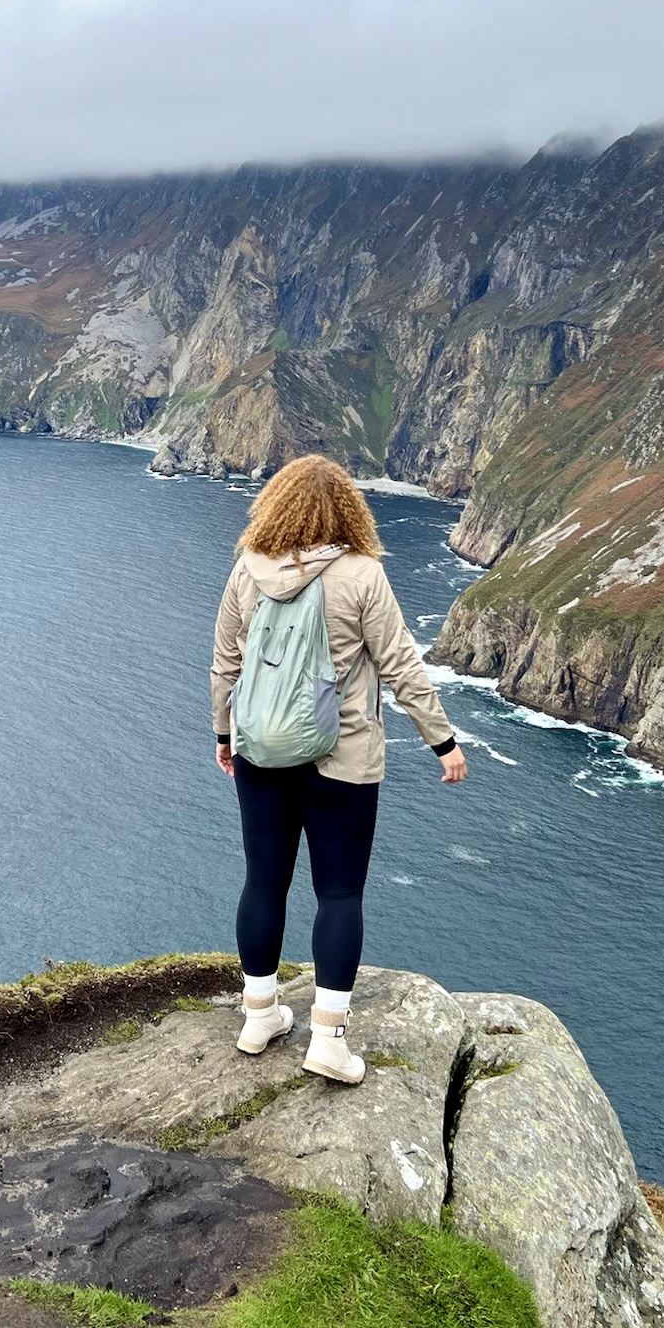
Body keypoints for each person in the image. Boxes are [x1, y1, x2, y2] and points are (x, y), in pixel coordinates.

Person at [211, 453, 467, 1085]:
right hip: (343, 759)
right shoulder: (362, 575)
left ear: (275, 505)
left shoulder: (248, 569)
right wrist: (444, 743)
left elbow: (224, 661)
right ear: (348, 511)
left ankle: (259, 1014)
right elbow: (402, 666)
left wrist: (224, 732)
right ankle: (327, 1040)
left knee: (264, 883)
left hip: (261, 753)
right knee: (340, 892)